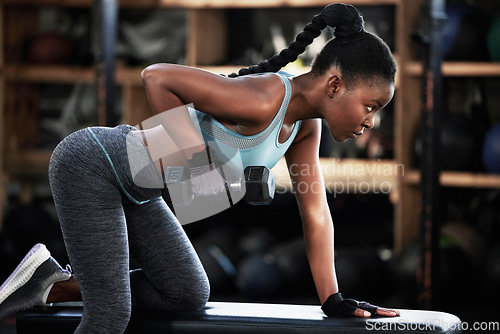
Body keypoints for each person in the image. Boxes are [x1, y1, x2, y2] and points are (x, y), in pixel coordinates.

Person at [0, 3, 400, 333]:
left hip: (137, 192)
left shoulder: (305, 129)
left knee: (186, 292)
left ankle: (52, 285)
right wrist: (195, 163)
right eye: (370, 106)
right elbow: (156, 77)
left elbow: (316, 214)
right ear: (334, 85)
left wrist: (333, 299)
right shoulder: (264, 98)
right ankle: (83, 290)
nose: (370, 122)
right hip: (93, 166)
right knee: (109, 315)